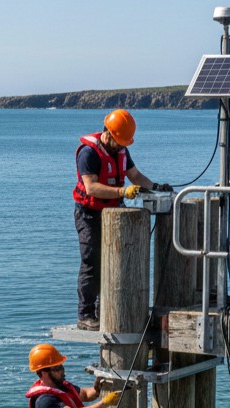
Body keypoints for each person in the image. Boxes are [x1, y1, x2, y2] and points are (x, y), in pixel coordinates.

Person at [72, 108, 174, 331]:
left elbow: (135, 175)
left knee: (116, 261)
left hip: (114, 213)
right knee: (92, 262)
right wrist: (121, 193)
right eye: (118, 141)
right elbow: (91, 187)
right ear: (107, 132)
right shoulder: (88, 153)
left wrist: (155, 187)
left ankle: (105, 310)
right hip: (90, 214)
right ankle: (86, 314)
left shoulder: (122, 150)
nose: (120, 146)